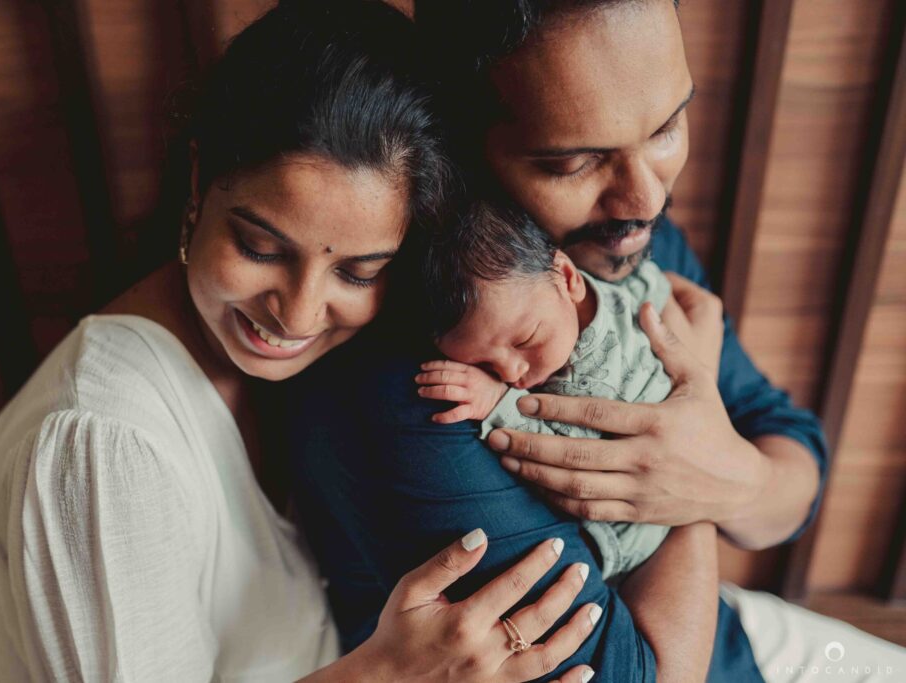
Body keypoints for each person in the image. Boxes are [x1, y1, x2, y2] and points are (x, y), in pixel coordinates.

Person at [0, 2, 601, 681]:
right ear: (199, 183)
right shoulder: (105, 444)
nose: (298, 312)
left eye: (357, 271)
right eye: (259, 246)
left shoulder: (329, 370)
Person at [278, 0, 897, 681]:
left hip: (741, 637)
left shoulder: (611, 250)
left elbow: (792, 467)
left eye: (665, 128)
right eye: (573, 163)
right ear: (460, 147)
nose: (645, 203)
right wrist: (683, 477)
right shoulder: (424, 379)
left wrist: (725, 478)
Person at [416, 199, 673, 585]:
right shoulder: (602, 293)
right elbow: (652, 282)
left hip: (630, 538)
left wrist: (496, 403)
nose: (513, 372)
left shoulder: (587, 383)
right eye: (484, 367)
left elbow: (572, 458)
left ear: (568, 276)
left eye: (526, 339)